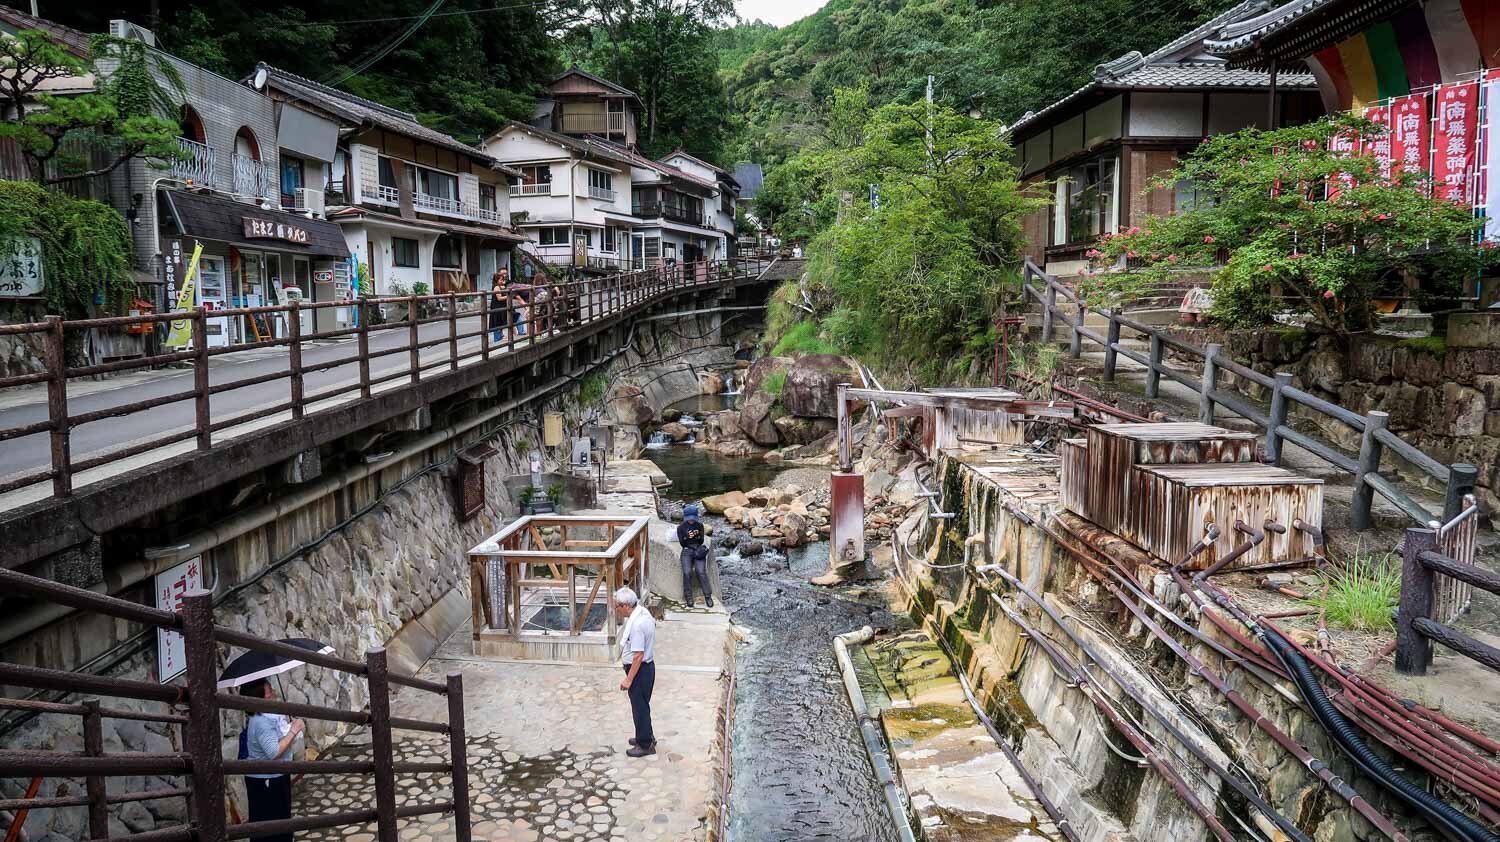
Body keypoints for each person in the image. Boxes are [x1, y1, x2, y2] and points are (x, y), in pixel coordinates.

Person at [240, 679, 303, 841]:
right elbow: (273, 752)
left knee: (277, 821)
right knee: (272, 825)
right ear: (259, 699)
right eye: (270, 693)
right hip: (266, 781)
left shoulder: (266, 716)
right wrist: (293, 731)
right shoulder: (261, 722)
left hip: (273, 776)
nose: (274, 694)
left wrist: (287, 728)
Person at [614, 587, 656, 757]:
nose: (617, 609)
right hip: (647, 668)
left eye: (618, 606)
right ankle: (646, 736)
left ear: (625, 606)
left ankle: (645, 745)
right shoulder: (643, 613)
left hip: (640, 670)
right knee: (643, 706)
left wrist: (629, 680)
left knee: (639, 708)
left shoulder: (637, 625)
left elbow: (638, 656)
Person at [677, 505, 711, 608]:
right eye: (689, 518)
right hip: (687, 550)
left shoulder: (700, 525)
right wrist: (691, 539)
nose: (691, 521)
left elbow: (701, 540)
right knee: (687, 572)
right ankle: (689, 597)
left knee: (700, 571)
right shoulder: (681, 528)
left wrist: (691, 538)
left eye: (693, 518)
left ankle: (708, 596)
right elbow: (682, 543)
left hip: (698, 549)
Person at [487, 272, 509, 343]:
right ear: (496, 280)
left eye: (503, 280)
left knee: (499, 322)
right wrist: (509, 296)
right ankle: (497, 339)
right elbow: (499, 298)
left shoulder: (500, 286)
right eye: (501, 280)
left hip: (500, 307)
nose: (502, 281)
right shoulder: (496, 287)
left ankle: (498, 338)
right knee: (497, 323)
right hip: (497, 307)